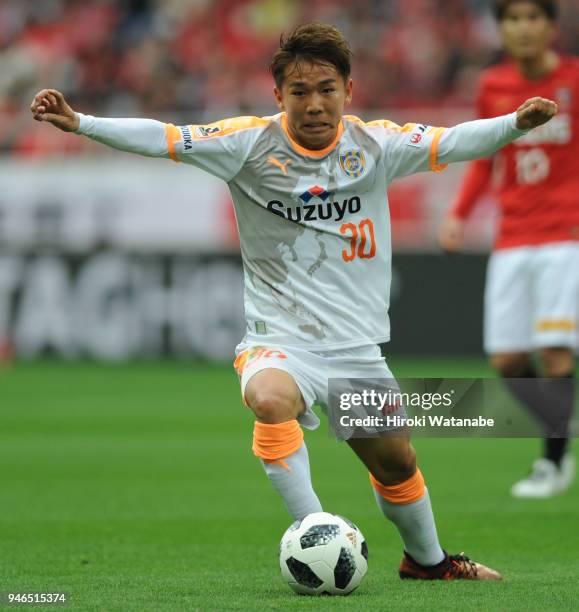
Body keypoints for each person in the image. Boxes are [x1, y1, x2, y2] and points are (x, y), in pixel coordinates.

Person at [31, 22, 557, 580]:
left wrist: (515, 124)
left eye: (326, 89)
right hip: (279, 341)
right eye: (299, 92)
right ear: (278, 95)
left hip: (356, 351)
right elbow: (163, 137)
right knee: (268, 397)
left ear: (348, 92)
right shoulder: (246, 143)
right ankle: (317, 532)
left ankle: (428, 562)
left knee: (397, 462)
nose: (314, 104)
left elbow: (451, 142)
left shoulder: (373, 145)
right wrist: (81, 122)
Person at [439, 0, 578, 498]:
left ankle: (554, 462)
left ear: (550, 25)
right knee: (506, 361)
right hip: (513, 235)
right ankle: (563, 425)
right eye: (512, 19)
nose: (522, 28)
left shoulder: (575, 78)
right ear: (501, 29)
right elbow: (483, 159)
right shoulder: (491, 85)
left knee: (555, 350)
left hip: (567, 234)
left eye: (532, 17)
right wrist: (459, 213)